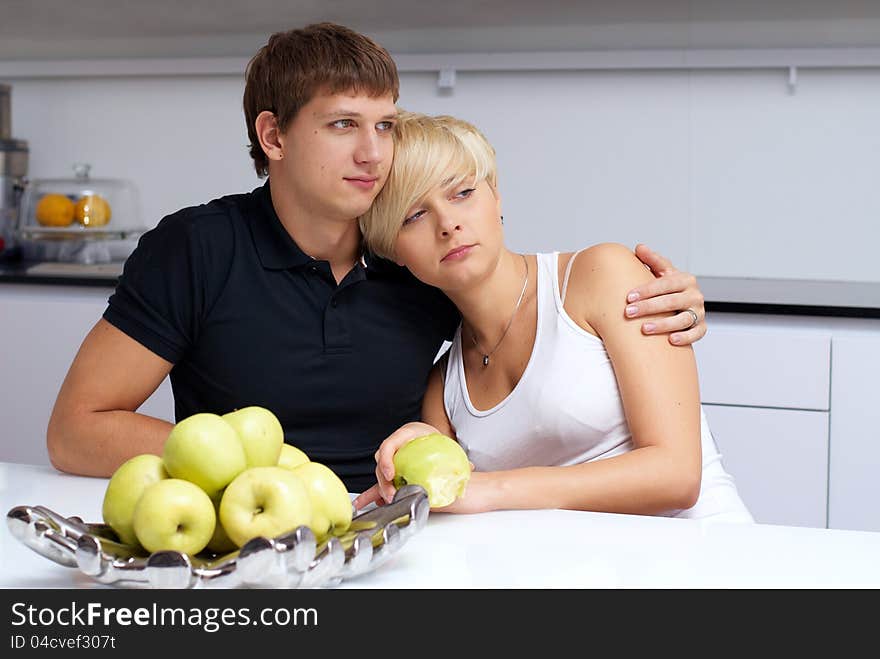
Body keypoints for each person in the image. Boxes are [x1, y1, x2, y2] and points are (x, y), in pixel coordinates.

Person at [46, 23, 709, 495]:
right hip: (245, 535)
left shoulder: (413, 255)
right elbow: (75, 430)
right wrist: (254, 466)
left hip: (392, 535)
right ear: (273, 136)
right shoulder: (198, 248)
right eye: (342, 125)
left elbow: (527, 299)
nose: (373, 153)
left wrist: (673, 297)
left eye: (385, 125)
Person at [353, 112, 753, 523]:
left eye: (463, 193)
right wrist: (421, 450)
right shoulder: (444, 388)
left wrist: (495, 488)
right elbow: (458, 499)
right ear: (393, 249)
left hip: (710, 559)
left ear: (496, 197)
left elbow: (676, 476)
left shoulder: (601, 275)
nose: (448, 224)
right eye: (413, 215)